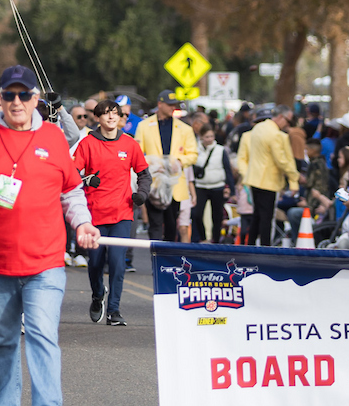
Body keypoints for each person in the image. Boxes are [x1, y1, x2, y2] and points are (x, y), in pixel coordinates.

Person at [0, 66, 98, 406]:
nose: (17, 101)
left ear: (36, 99)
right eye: (9, 95)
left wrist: (82, 223)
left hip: (45, 263)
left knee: (41, 337)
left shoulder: (53, 137)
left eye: (24, 94)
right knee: (3, 343)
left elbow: (71, 192)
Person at [73, 99, 147, 326]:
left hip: (122, 214)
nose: (111, 117)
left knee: (117, 263)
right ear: (98, 118)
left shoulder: (130, 144)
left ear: (120, 117)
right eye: (105, 114)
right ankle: (97, 296)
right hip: (94, 215)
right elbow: (72, 174)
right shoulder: (87, 143)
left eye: (114, 113)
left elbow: (144, 174)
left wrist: (142, 193)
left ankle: (114, 310)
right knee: (95, 263)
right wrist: (87, 179)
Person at [134, 91, 197, 243]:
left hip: (174, 184)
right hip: (154, 182)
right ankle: (156, 256)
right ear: (160, 104)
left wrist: (179, 162)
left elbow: (193, 154)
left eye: (174, 105)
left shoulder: (185, 128)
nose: (172, 108)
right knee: (155, 224)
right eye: (169, 105)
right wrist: (153, 163)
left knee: (171, 225)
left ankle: (167, 260)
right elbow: (137, 153)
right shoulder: (144, 126)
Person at [235, 108, 299, 246]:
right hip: (268, 181)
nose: (288, 125)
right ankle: (265, 248)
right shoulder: (275, 134)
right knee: (266, 219)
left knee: (257, 217)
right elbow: (281, 160)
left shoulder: (258, 129)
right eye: (288, 121)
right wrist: (294, 179)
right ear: (281, 117)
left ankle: (251, 245)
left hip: (254, 179)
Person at [191, 124, 234, 243]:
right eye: (207, 137)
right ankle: (203, 238)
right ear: (201, 137)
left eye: (211, 136)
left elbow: (227, 170)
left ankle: (215, 240)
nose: (210, 139)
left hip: (217, 186)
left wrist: (231, 188)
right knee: (197, 214)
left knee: (217, 216)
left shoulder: (220, 150)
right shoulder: (195, 149)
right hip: (201, 186)